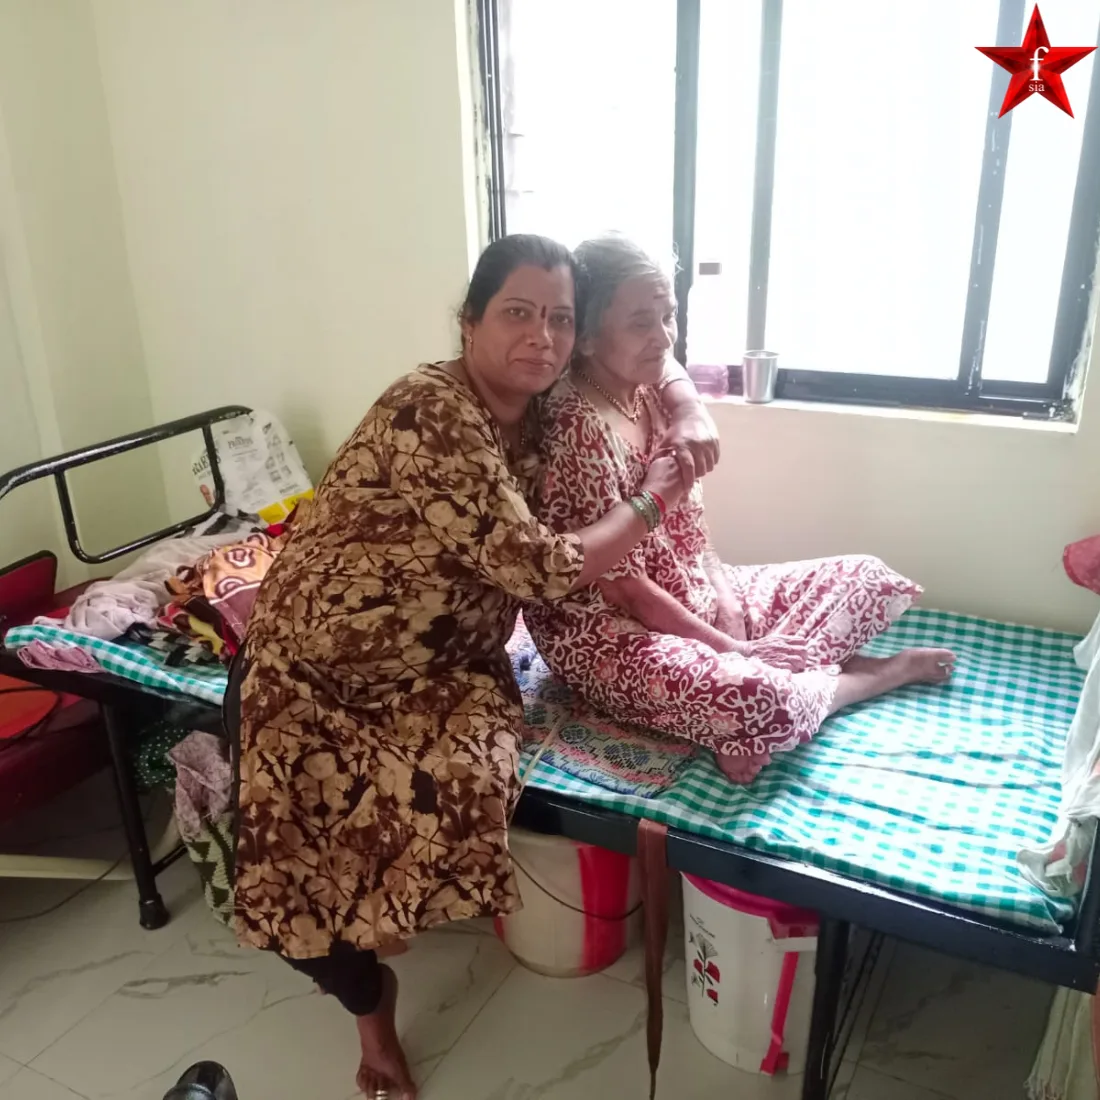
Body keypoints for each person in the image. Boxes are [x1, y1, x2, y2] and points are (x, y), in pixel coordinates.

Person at [231, 234, 718, 1099]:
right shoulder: (431, 409)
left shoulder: (544, 397)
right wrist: (654, 499)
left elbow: (651, 344)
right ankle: (371, 1011)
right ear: (469, 322)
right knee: (296, 879)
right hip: (314, 668)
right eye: (517, 313)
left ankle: (385, 922)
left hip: (443, 665)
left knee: (459, 785)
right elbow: (540, 569)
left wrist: (687, 412)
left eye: (559, 319)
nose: (541, 336)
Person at [525, 234, 955, 784]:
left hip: (689, 596)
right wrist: (737, 652)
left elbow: (693, 532)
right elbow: (625, 589)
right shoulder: (574, 426)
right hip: (611, 632)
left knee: (866, 577)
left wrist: (728, 606)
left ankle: (771, 698)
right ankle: (864, 679)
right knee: (759, 696)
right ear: (586, 337)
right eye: (640, 323)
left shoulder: (652, 390)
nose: (664, 337)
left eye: (668, 316)